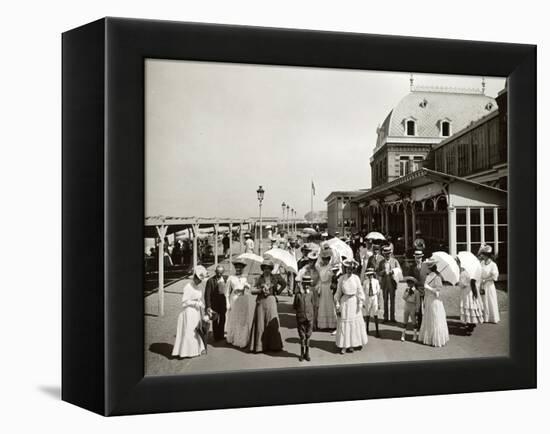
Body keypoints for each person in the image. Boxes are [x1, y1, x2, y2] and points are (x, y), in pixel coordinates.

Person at [249, 260, 286, 353]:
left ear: (271, 269)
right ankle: (259, 347)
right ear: (262, 269)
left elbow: (284, 284)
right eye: (265, 268)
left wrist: (278, 291)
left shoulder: (275, 277)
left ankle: (274, 345)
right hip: (261, 301)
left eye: (268, 268)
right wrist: (260, 290)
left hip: (271, 300)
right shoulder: (258, 278)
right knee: (260, 323)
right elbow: (252, 290)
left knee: (272, 322)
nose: (267, 270)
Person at [172, 266, 209, 358]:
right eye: (198, 279)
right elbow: (184, 302)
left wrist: (201, 304)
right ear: (194, 277)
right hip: (189, 312)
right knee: (189, 331)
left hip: (196, 312)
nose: (199, 281)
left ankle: (196, 350)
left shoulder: (198, 287)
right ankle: (187, 352)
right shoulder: (188, 287)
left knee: (196, 330)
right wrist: (196, 303)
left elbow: (199, 298)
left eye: (201, 280)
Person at [334, 259, 369, 354]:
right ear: (345, 269)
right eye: (347, 269)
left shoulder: (356, 278)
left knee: (353, 323)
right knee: (344, 323)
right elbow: (338, 292)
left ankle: (351, 345)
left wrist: (360, 303)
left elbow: (360, 291)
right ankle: (345, 345)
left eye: (351, 269)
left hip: (354, 302)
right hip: (345, 302)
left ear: (353, 269)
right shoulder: (341, 279)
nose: (349, 271)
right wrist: (337, 303)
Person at [418, 259, 449, 347]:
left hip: (435, 301)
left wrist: (429, 288)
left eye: (428, 266)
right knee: (429, 318)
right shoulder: (428, 276)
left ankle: (436, 339)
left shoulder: (437, 277)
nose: (426, 268)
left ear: (430, 268)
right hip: (428, 300)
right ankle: (429, 338)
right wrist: (426, 289)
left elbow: (438, 292)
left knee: (435, 318)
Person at [225, 259, 254, 348]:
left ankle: (242, 340)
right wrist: (227, 303)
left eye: (240, 267)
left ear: (243, 268)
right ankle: (233, 337)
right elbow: (227, 292)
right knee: (234, 318)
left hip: (243, 299)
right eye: (237, 267)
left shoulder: (245, 277)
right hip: (234, 299)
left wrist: (247, 286)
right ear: (235, 268)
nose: (238, 269)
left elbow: (250, 289)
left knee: (243, 319)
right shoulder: (231, 278)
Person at [456, 257, 484, 335]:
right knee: (473, 306)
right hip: (473, 291)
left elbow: (462, 284)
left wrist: (459, 283)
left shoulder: (464, 273)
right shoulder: (473, 272)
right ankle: (472, 323)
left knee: (468, 306)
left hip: (466, 292)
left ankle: (470, 324)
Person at [293, 273, 315, 361]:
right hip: (301, 317)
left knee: (308, 336)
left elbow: (313, 304)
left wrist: (313, 317)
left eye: (308, 284)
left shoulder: (311, 293)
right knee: (302, 336)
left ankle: (307, 353)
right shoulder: (298, 294)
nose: (306, 286)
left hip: (310, 317)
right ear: (302, 284)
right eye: (305, 284)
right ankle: (302, 353)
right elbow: (295, 306)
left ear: (310, 285)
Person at [296, 251, 321, 329]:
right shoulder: (305, 268)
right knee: (308, 306)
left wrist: (317, 286)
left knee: (316, 306)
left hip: (315, 289)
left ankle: (314, 323)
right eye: (310, 260)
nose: (312, 263)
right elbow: (298, 278)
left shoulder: (318, 269)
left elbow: (321, 279)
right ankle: (308, 322)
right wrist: (301, 287)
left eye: (314, 261)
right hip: (307, 289)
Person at [377, 245, 401, 323]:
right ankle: (385, 317)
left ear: (391, 254)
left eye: (389, 254)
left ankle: (392, 317)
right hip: (384, 283)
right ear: (384, 254)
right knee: (385, 301)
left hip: (392, 282)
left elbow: (399, 270)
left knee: (392, 300)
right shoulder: (381, 262)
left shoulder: (394, 261)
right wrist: (382, 272)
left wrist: (393, 271)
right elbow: (378, 272)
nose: (387, 255)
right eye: (386, 254)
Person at [204, 265, 228, 341]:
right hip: (214, 304)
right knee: (215, 319)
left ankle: (221, 334)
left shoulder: (226, 279)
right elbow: (207, 294)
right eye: (218, 272)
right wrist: (208, 306)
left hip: (223, 303)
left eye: (221, 273)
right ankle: (216, 336)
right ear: (215, 272)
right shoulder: (210, 281)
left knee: (223, 319)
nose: (219, 274)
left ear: (223, 272)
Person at [315, 248, 338, 330]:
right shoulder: (321, 267)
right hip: (322, 287)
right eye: (324, 259)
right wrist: (318, 288)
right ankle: (323, 325)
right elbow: (317, 269)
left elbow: (334, 277)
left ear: (329, 260)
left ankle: (332, 324)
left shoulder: (331, 268)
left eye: (327, 259)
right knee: (322, 305)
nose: (325, 261)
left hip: (329, 288)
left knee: (330, 305)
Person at [479, 245, 500, 323]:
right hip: (482, 285)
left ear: (487, 256)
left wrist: (486, 280)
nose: (482, 256)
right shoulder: (482, 263)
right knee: (483, 300)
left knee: (490, 300)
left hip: (489, 285)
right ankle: (485, 317)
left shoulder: (493, 265)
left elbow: (494, 277)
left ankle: (492, 317)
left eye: (483, 255)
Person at [407, 250, 427, 327]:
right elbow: (409, 279)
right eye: (416, 258)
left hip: (425, 290)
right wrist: (411, 287)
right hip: (416, 290)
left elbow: (429, 276)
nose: (417, 259)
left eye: (419, 258)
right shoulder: (412, 267)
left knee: (426, 307)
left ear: (422, 258)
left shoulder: (425, 266)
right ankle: (419, 323)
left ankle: (426, 323)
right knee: (417, 308)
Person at [401, 276, 421, 342]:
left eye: (410, 283)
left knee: (414, 322)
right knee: (405, 321)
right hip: (407, 305)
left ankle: (415, 335)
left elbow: (418, 302)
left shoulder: (416, 292)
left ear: (413, 283)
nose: (408, 284)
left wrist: (417, 310)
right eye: (408, 283)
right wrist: (408, 293)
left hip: (413, 306)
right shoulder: (407, 290)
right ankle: (403, 335)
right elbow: (403, 297)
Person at [363, 267, 382, 337]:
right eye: (369, 274)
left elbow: (379, 292)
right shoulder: (365, 282)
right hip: (368, 298)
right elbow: (363, 292)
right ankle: (367, 329)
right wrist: (363, 302)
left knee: (375, 314)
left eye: (371, 274)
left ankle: (377, 331)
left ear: (373, 274)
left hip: (374, 297)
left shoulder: (376, 281)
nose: (370, 276)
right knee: (367, 314)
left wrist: (379, 303)